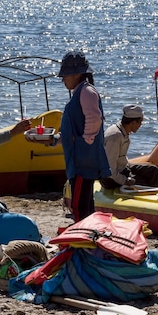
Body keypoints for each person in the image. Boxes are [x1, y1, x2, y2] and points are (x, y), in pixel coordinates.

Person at [54, 50, 111, 222]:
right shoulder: (80, 92)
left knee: (78, 206)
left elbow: (94, 119)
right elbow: (75, 128)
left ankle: (82, 240)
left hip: (82, 161)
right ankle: (88, 237)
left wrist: (84, 141)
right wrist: (57, 139)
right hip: (79, 159)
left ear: (78, 74)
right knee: (85, 204)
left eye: (66, 75)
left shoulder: (86, 92)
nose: (63, 79)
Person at [102, 105, 158, 189]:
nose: (140, 125)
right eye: (140, 122)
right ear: (133, 123)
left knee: (153, 170)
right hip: (110, 179)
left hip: (123, 167)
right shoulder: (115, 137)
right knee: (145, 182)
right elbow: (109, 170)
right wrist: (125, 180)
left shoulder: (123, 131)